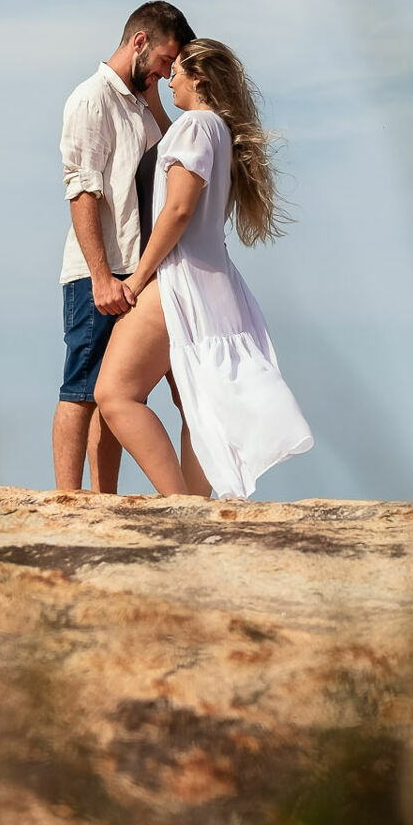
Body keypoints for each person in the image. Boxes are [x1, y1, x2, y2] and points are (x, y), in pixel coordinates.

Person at [95, 38, 313, 498]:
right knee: (199, 403)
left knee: (113, 394)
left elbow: (177, 211)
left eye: (175, 72)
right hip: (216, 280)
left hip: (180, 278)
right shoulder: (217, 129)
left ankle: (178, 503)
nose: (169, 79)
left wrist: (136, 279)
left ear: (199, 79)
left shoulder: (194, 126)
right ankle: (195, 504)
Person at [53, 0, 195, 493]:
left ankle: (102, 500)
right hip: (99, 270)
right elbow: (82, 191)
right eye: (163, 60)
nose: (165, 72)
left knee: (118, 393)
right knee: (82, 390)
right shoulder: (91, 99)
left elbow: (179, 150)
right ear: (139, 41)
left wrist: (153, 93)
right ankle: (67, 503)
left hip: (136, 272)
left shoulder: (138, 103)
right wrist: (99, 275)